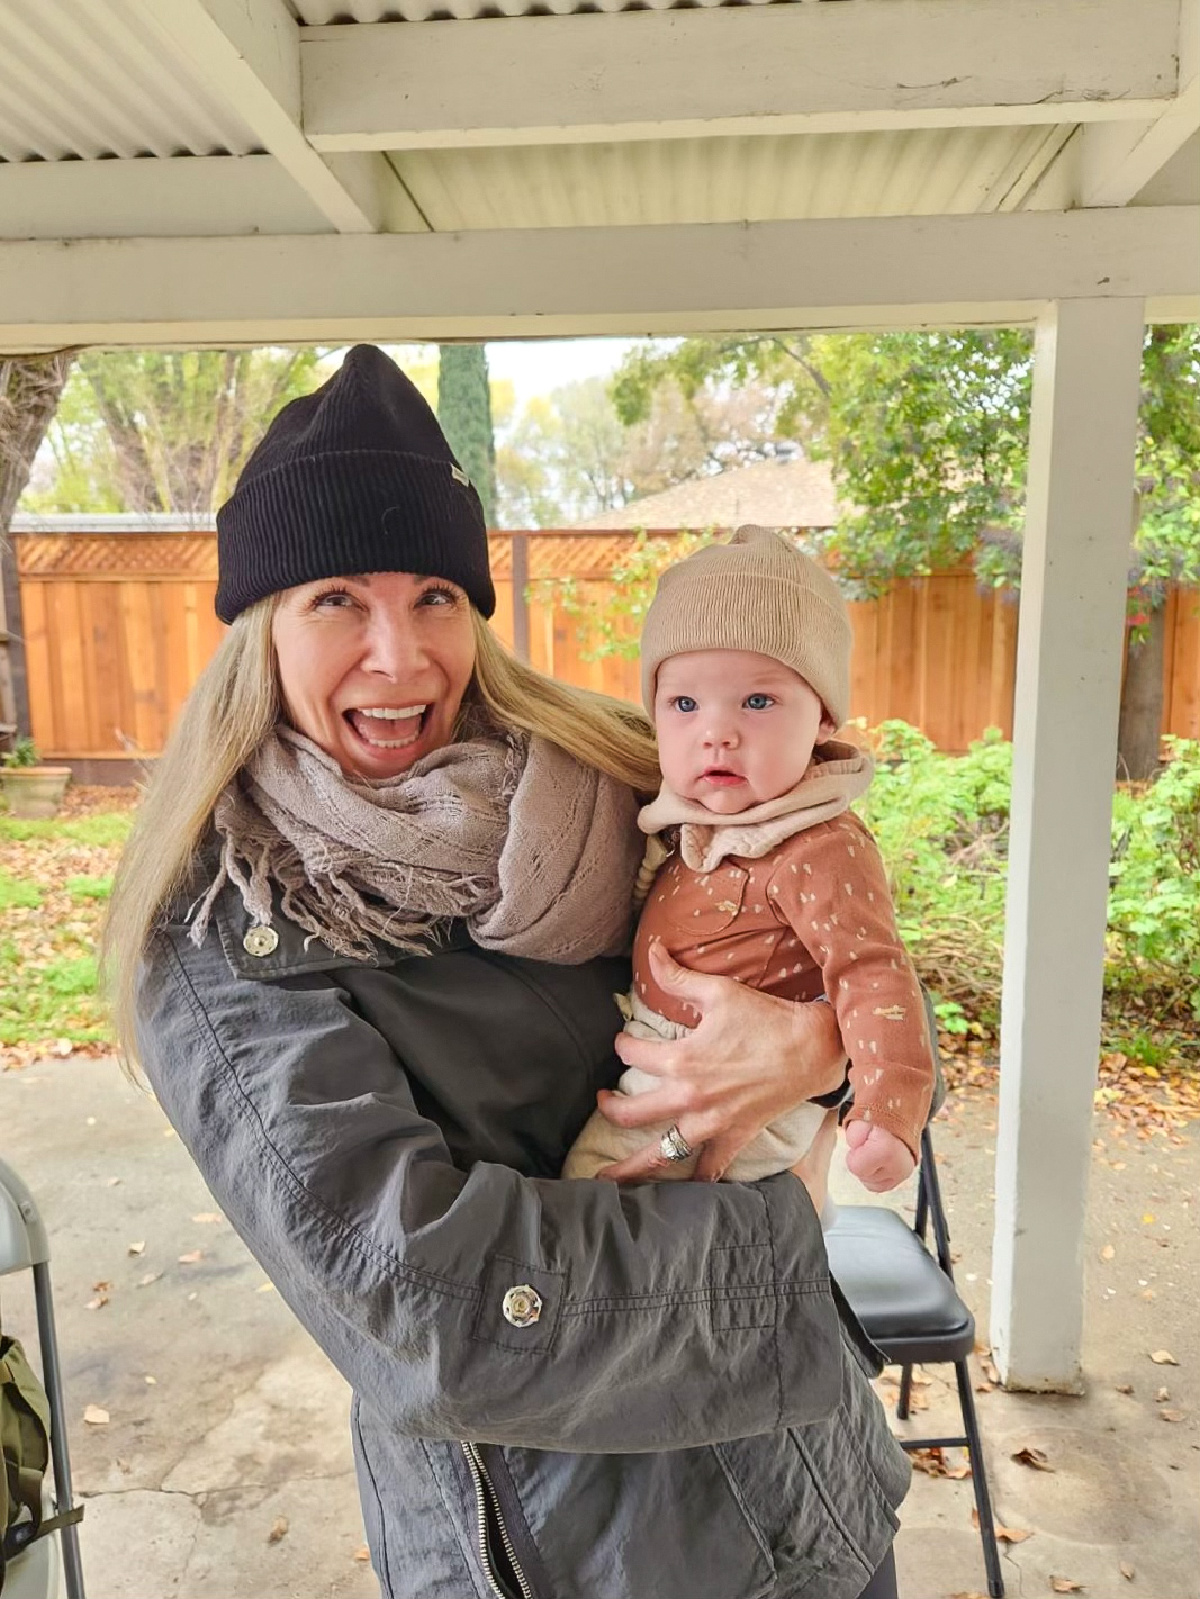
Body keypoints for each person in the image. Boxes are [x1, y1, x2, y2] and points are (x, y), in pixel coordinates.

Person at [103, 345, 910, 1599]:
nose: (399, 654)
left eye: (434, 594)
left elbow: (876, 978)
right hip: (562, 1551)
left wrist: (823, 1054)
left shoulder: (616, 779)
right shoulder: (227, 933)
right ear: (259, 627)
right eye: (335, 599)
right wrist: (782, 1225)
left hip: (810, 1496)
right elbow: (429, 1308)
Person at [565, 529, 934, 1190]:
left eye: (757, 701)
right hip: (670, 1060)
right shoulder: (690, 817)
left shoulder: (817, 842)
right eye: (684, 703)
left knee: (594, 1192)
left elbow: (873, 970)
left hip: (742, 1083)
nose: (716, 731)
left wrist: (889, 1108)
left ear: (823, 717)